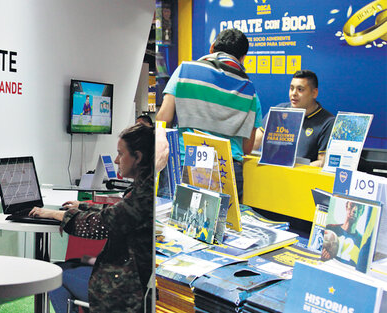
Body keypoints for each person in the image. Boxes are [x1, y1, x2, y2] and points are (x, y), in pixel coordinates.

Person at [29, 123, 154, 312]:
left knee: (54, 274)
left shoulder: (144, 194)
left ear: (138, 157)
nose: (116, 160)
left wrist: (55, 214)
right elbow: (117, 213)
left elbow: (101, 224)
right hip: (131, 278)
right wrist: (84, 206)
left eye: (121, 153)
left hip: (124, 289)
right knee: (69, 266)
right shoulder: (147, 188)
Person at [156, 28, 262, 200]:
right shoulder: (249, 90)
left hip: (184, 162)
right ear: (243, 58)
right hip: (226, 169)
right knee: (224, 225)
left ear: (212, 48)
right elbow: (246, 148)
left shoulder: (185, 71)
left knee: (172, 223)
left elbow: (163, 118)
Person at [254, 70, 335, 167]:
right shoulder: (279, 111)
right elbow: (255, 141)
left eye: (300, 89)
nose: (294, 93)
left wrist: (294, 171)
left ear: (314, 93)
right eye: (291, 88)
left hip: (302, 177)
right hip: (271, 172)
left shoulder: (328, 122)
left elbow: (322, 162)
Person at [321, 201, 365, 270]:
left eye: (359, 207)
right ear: (346, 206)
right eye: (352, 205)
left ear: (362, 211)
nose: (355, 210)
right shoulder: (329, 229)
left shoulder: (362, 242)